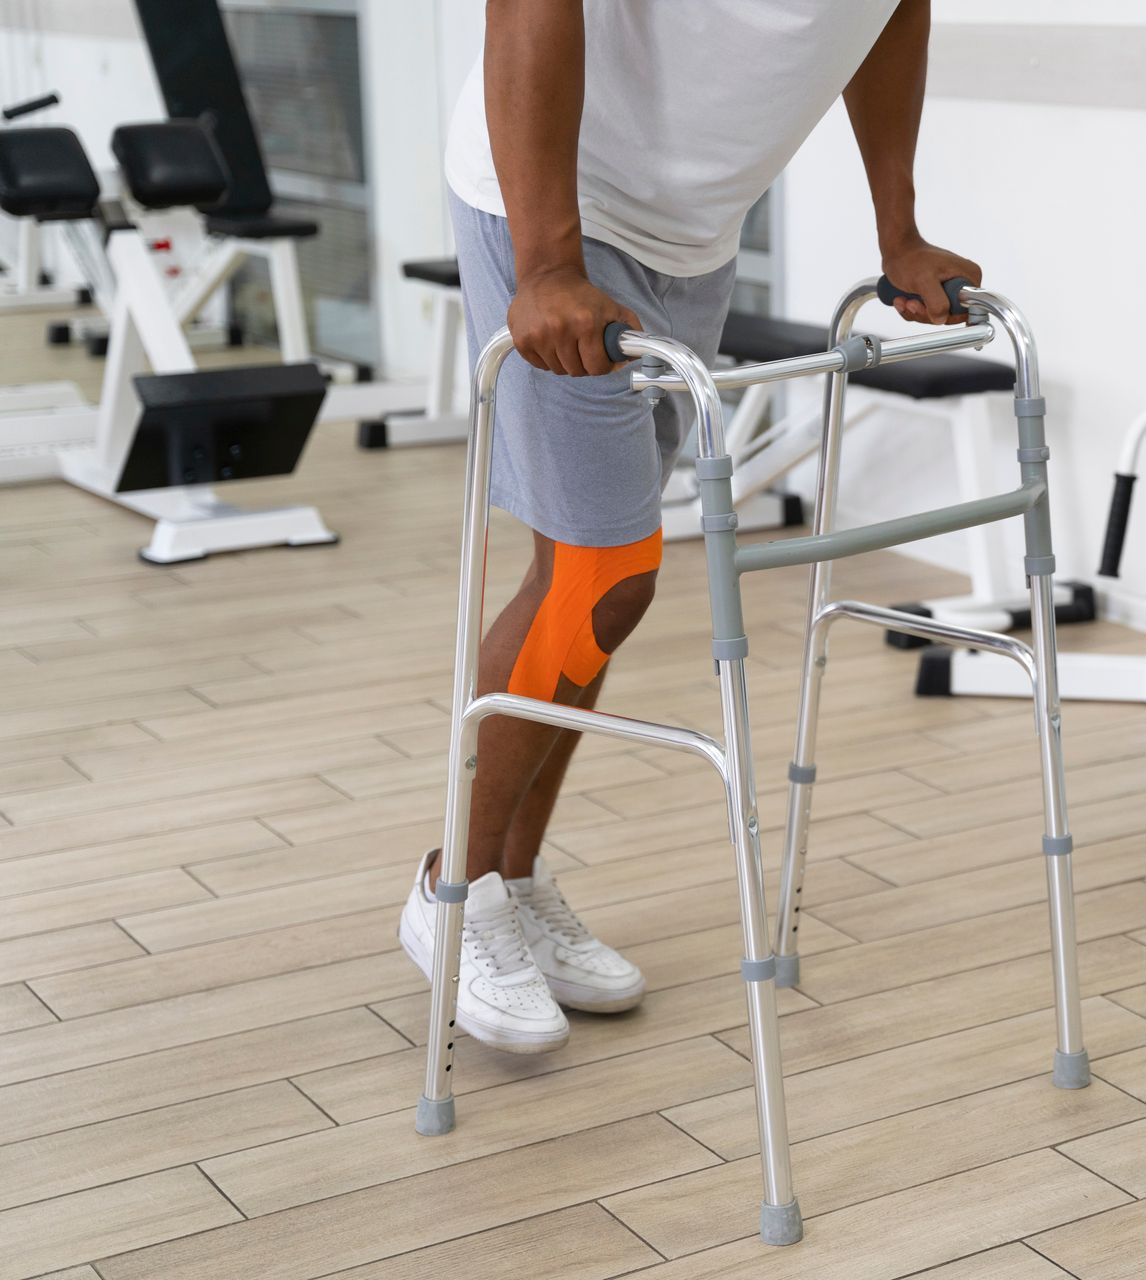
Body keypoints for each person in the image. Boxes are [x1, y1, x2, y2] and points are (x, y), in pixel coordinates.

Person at [397, 0, 981, 1053]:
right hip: (550, 202)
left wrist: (898, 226)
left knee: (594, 576)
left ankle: (513, 880)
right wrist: (544, 261)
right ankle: (453, 885)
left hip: (695, 235)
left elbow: (889, 14)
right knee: (604, 570)